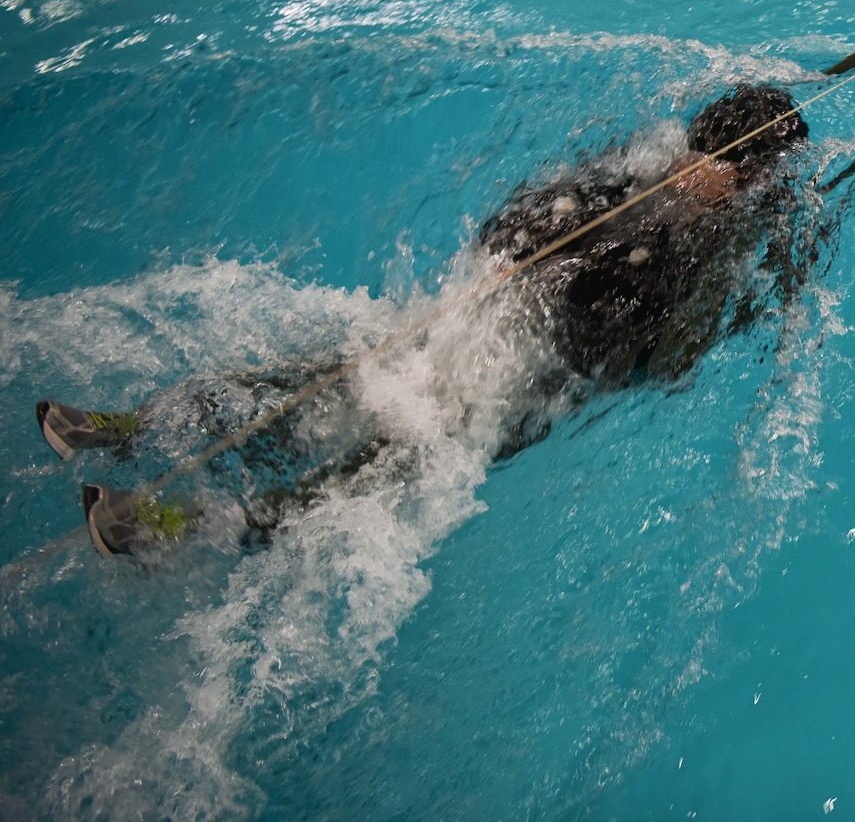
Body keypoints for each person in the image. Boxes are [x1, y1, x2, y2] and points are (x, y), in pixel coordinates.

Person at [36, 84, 812, 558]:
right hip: (518, 377)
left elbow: (519, 218)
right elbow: (648, 359)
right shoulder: (701, 237)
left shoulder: (637, 163)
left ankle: (126, 427)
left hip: (469, 317)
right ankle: (184, 524)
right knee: (377, 464)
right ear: (744, 172)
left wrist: (512, 267)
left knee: (327, 383)